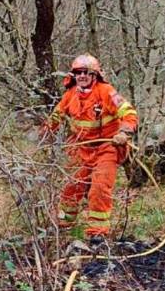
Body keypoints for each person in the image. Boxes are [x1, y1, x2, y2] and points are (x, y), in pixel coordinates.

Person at [42, 54, 138, 247]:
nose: (83, 76)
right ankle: (63, 224)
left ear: (95, 75)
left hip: (108, 147)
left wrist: (124, 132)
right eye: (79, 73)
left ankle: (98, 234)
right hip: (81, 148)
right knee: (71, 186)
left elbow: (129, 113)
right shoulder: (70, 95)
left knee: (99, 188)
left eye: (87, 72)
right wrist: (42, 135)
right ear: (74, 75)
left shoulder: (106, 92)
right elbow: (55, 118)